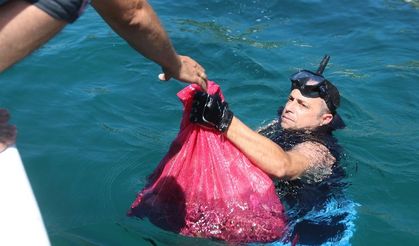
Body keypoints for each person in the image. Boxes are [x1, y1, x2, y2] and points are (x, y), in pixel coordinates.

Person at [190, 55, 355, 244]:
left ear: (324, 119)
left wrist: (224, 119)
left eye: (302, 105)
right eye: (291, 99)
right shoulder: (278, 126)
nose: (290, 108)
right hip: (279, 212)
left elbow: (283, 166)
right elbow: (241, 147)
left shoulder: (319, 149)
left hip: (317, 225)